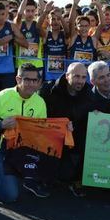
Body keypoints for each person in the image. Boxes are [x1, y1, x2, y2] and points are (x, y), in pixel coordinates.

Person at [0, 63, 49, 202]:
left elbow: (41, 130)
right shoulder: (1, 98)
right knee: (10, 196)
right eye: (27, 80)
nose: (31, 84)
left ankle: (23, 177)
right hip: (1, 148)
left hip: (23, 149)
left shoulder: (40, 102)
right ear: (18, 80)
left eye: (35, 80)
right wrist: (0, 124)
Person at [40, 62, 94, 197]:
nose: (80, 81)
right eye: (76, 76)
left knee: (66, 175)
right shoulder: (49, 90)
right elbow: (39, 116)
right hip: (50, 137)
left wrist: (75, 125)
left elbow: (87, 121)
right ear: (67, 76)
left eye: (83, 77)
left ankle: (77, 179)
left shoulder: (88, 94)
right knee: (49, 175)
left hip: (72, 139)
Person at [14, 0, 48, 71]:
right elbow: (19, 14)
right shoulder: (20, 23)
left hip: (37, 65)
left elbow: (45, 11)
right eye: (27, 11)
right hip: (21, 65)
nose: (30, 13)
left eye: (32, 11)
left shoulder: (38, 24)